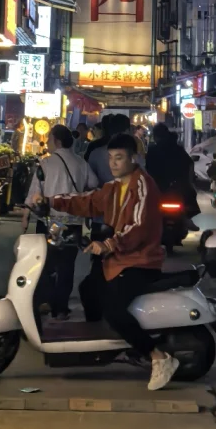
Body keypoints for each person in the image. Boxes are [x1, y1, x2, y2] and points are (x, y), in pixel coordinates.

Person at [48, 132, 179, 392]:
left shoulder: (143, 186)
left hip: (139, 261)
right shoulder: (114, 187)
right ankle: (106, 345)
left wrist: (109, 244)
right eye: (110, 158)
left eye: (119, 158)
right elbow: (88, 201)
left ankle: (159, 357)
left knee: (114, 310)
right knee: (88, 289)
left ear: (133, 158)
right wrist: (52, 202)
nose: (113, 163)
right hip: (118, 259)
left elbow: (138, 227)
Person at [21, 125, 97, 316]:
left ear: (57, 141)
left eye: (50, 139)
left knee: (45, 262)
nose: (47, 142)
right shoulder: (81, 163)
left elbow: (33, 195)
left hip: (49, 222)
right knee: (66, 265)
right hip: (73, 222)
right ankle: (61, 307)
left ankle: (46, 301)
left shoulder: (45, 164)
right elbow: (94, 185)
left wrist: (25, 216)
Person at [144, 123, 199, 217]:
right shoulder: (177, 148)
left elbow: (147, 168)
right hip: (177, 186)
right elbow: (189, 163)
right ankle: (188, 219)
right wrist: (189, 180)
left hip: (158, 187)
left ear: (155, 136)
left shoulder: (152, 150)